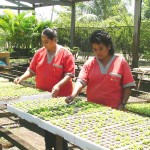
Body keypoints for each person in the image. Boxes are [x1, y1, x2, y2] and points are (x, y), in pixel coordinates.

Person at [14, 28, 75, 150]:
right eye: (42, 41)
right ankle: (49, 147)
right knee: (47, 127)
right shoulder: (40, 53)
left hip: (60, 98)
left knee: (59, 129)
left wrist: (58, 85)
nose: (44, 44)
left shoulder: (65, 53)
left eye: (46, 41)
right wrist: (21, 78)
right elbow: (31, 70)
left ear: (54, 40)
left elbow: (69, 74)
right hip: (43, 96)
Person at [66, 30, 136, 110]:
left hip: (114, 109)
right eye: (95, 49)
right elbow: (81, 81)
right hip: (91, 108)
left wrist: (123, 104)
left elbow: (128, 86)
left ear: (109, 46)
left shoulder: (121, 62)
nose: (98, 52)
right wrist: (73, 95)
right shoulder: (89, 63)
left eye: (101, 49)